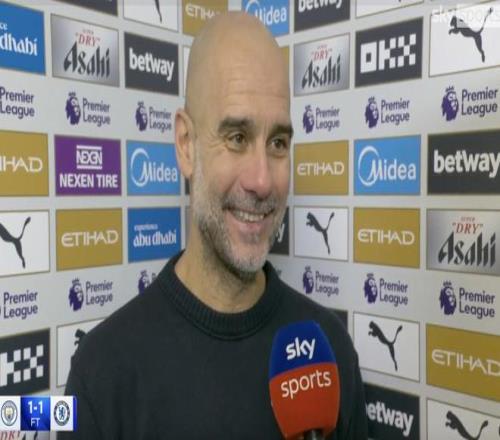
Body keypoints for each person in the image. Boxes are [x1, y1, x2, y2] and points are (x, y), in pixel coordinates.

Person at [60, 12, 367, 439]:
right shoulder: (103, 375)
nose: (262, 180)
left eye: (278, 143)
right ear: (186, 146)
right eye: (237, 138)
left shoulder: (329, 351)